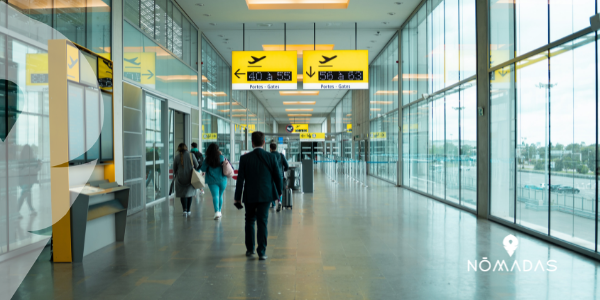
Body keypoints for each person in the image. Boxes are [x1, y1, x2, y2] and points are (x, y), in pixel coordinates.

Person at [235, 131, 282, 261]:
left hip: (249, 194)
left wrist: (237, 197)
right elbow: (278, 176)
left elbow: (240, 179)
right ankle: (262, 252)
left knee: (249, 220)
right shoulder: (271, 157)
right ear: (264, 142)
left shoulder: (245, 158)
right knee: (262, 221)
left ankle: (250, 249)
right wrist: (279, 193)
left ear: (252, 142)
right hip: (266, 195)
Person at [200, 143, 228, 220]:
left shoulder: (207, 159)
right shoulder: (222, 157)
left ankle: (216, 212)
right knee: (220, 195)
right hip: (223, 180)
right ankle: (219, 211)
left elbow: (203, 169)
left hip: (212, 181)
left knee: (215, 196)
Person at [173, 143, 198, 217]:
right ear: (186, 148)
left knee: (182, 194)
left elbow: (174, 169)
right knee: (189, 194)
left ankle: (184, 210)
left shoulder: (177, 157)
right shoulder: (191, 155)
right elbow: (196, 165)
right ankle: (189, 210)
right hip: (190, 178)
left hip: (180, 178)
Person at [269, 143, 289, 209]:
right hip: (280, 175)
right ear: (276, 148)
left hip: (271, 176)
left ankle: (273, 204)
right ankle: (280, 202)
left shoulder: (269, 155)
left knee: (272, 189)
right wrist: (284, 170)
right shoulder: (281, 155)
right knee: (280, 189)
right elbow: (287, 166)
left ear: (270, 148)